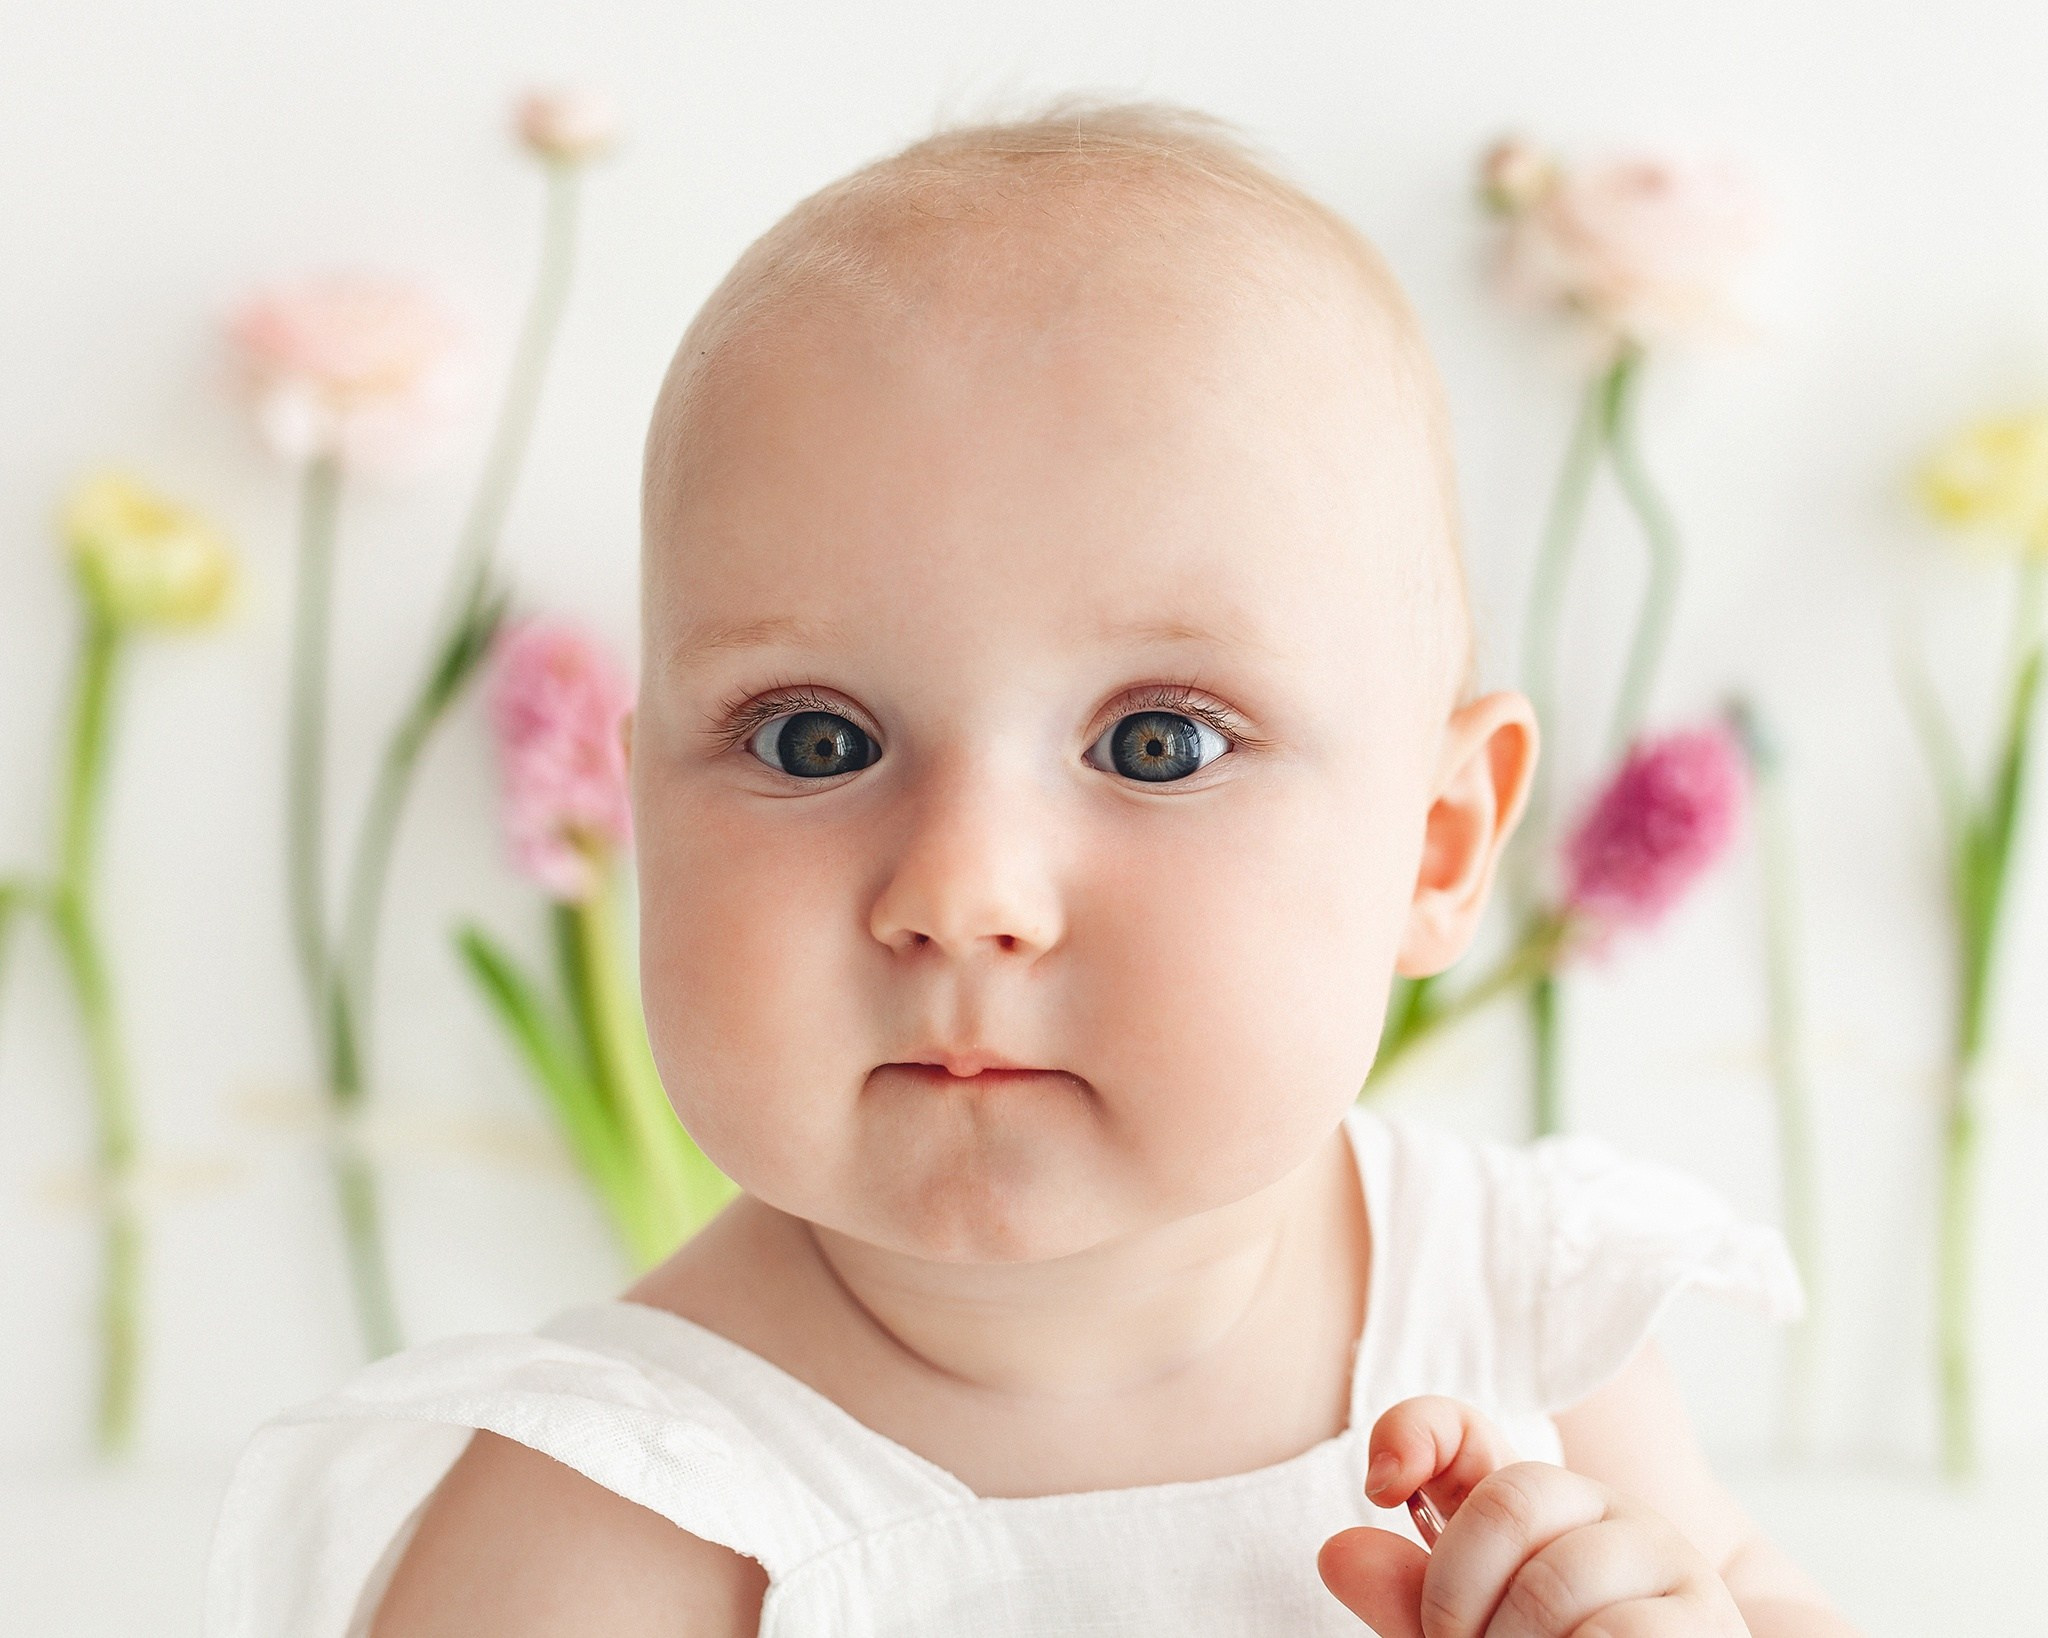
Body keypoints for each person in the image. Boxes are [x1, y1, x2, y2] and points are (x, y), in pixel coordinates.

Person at [203, 100, 1859, 1638]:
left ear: (1434, 847)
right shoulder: (619, 1513)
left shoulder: (1523, 1328)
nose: (965, 886)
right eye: (812, 741)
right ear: (645, 807)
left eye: (1160, 743)